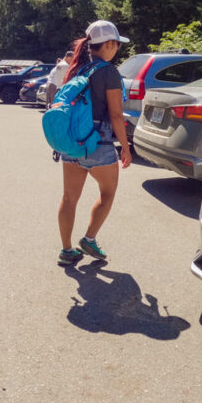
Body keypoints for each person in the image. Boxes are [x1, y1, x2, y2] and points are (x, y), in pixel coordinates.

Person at [56, 20, 132, 266]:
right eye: (117, 45)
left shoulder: (77, 69)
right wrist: (126, 147)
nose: (117, 50)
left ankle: (67, 251)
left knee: (69, 198)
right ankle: (89, 239)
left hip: (72, 143)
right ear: (108, 44)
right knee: (108, 192)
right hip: (98, 143)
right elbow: (117, 115)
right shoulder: (108, 71)